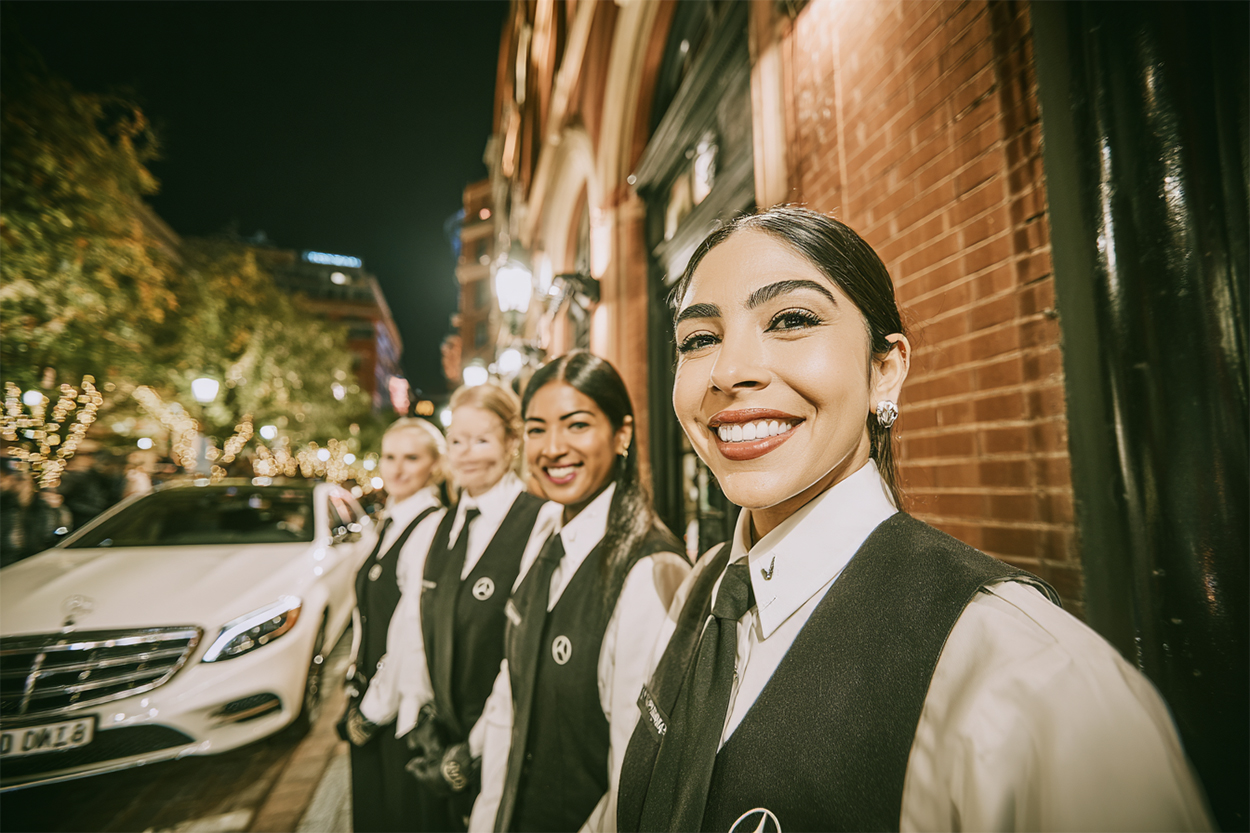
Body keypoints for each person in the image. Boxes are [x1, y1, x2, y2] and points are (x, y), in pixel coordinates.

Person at [617, 207, 1213, 833]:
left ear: (885, 369)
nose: (730, 370)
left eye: (791, 320)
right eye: (698, 339)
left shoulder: (1035, 683)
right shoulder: (700, 592)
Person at [470, 351, 690, 833]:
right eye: (536, 428)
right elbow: (511, 696)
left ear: (622, 434)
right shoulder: (545, 537)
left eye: (576, 424)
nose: (552, 447)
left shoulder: (650, 570)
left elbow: (634, 773)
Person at [361, 383, 547, 832]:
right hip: (436, 745)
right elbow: (415, 630)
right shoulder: (443, 526)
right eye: (457, 441)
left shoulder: (539, 519)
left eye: (482, 440)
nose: (467, 454)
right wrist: (416, 718)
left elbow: (521, 657)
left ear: (511, 442)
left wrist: (475, 748)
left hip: (501, 745)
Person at [338, 417, 448, 833]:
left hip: (397, 711)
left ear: (435, 466)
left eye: (412, 458)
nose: (397, 468)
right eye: (390, 456)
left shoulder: (429, 526)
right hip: (370, 695)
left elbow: (412, 633)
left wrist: (370, 711)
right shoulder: (390, 520)